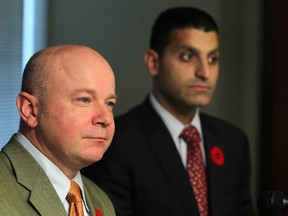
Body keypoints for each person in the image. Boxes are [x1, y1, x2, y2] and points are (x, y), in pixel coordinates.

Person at [82, 7, 254, 216]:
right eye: (188, 57)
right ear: (154, 62)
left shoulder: (233, 141)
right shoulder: (116, 141)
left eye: (212, 59)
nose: (204, 72)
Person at [0, 45, 117, 216]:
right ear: (30, 109)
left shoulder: (101, 201)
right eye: (84, 99)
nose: (105, 118)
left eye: (109, 103)